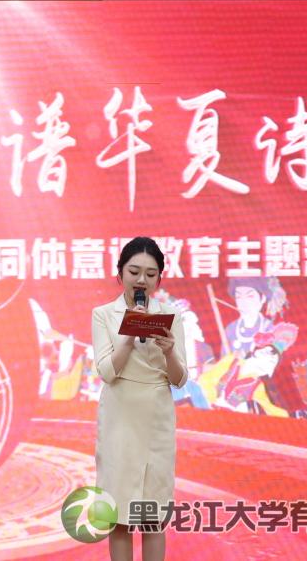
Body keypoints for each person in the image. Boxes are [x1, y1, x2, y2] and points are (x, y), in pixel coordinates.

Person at [91, 236, 187, 561]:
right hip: (119, 417)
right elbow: (107, 371)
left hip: (156, 418)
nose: (141, 280)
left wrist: (170, 352)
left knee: (152, 516)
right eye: (134, 272)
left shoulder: (171, 316)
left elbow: (180, 378)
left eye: (150, 273)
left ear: (159, 278)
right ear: (120, 274)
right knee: (119, 517)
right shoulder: (104, 314)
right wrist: (129, 335)